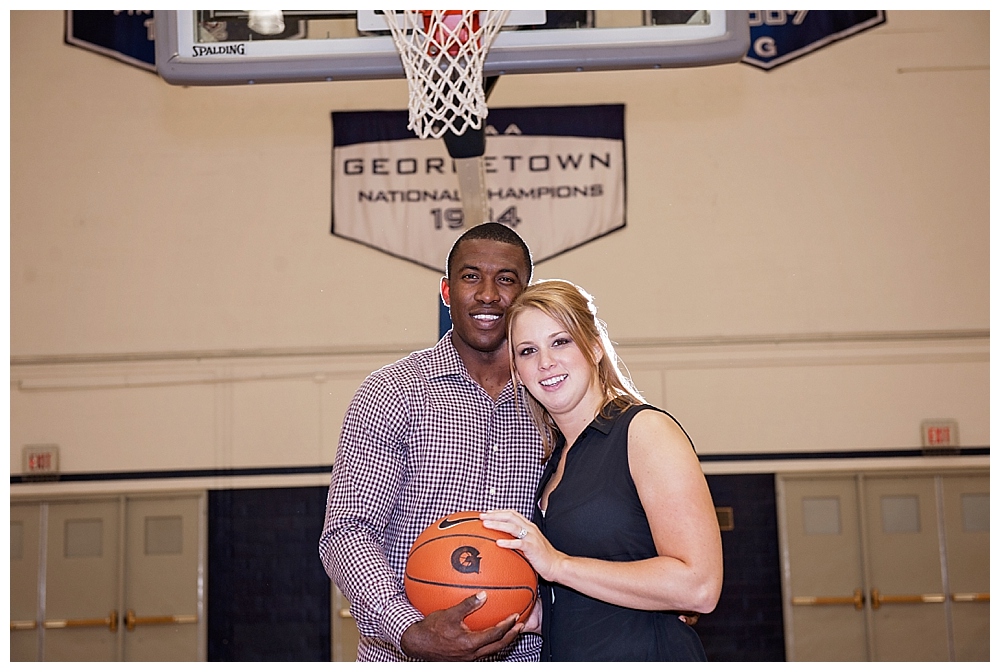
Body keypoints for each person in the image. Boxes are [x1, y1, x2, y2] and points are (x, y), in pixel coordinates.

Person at [318, 222, 545, 662]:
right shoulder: (393, 391)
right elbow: (346, 531)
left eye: (505, 279)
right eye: (470, 276)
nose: (487, 294)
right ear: (445, 291)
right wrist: (408, 629)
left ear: (526, 296)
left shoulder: (552, 398)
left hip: (529, 654)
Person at [480, 279, 724, 661]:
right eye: (528, 351)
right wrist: (543, 614)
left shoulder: (645, 432)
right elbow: (605, 590)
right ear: (518, 372)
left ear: (594, 347)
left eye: (560, 341)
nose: (545, 362)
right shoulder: (556, 460)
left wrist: (558, 566)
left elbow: (699, 587)